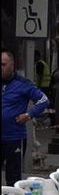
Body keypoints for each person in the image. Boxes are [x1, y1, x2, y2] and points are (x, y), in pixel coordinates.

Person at [1, 50, 49, 185]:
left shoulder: (23, 83)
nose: (1, 68)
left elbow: (44, 100)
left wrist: (29, 115)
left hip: (14, 137)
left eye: (3, 65)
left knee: (13, 175)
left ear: (12, 65)